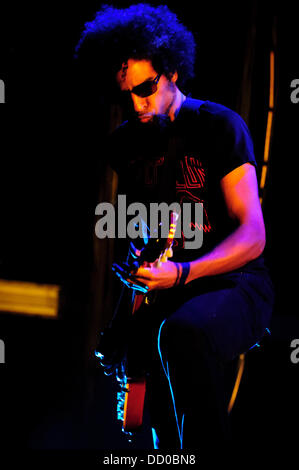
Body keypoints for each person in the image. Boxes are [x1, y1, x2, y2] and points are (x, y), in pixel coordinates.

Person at [75, 3, 274, 452]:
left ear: (173, 72)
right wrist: (121, 320)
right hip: (171, 290)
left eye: (145, 88)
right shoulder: (126, 146)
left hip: (235, 284)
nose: (136, 103)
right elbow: (147, 241)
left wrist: (183, 273)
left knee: (181, 333)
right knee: (156, 399)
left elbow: (253, 235)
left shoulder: (218, 126)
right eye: (126, 92)